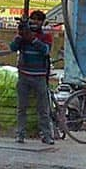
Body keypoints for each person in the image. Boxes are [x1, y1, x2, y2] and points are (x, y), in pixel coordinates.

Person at [10, 10, 53, 144]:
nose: (35, 22)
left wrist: (32, 39)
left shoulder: (46, 37)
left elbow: (45, 50)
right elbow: (13, 48)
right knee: (22, 108)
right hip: (24, 75)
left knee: (43, 109)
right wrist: (20, 35)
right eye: (33, 19)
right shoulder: (23, 36)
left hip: (39, 77)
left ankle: (46, 135)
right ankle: (20, 134)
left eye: (38, 20)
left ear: (42, 22)